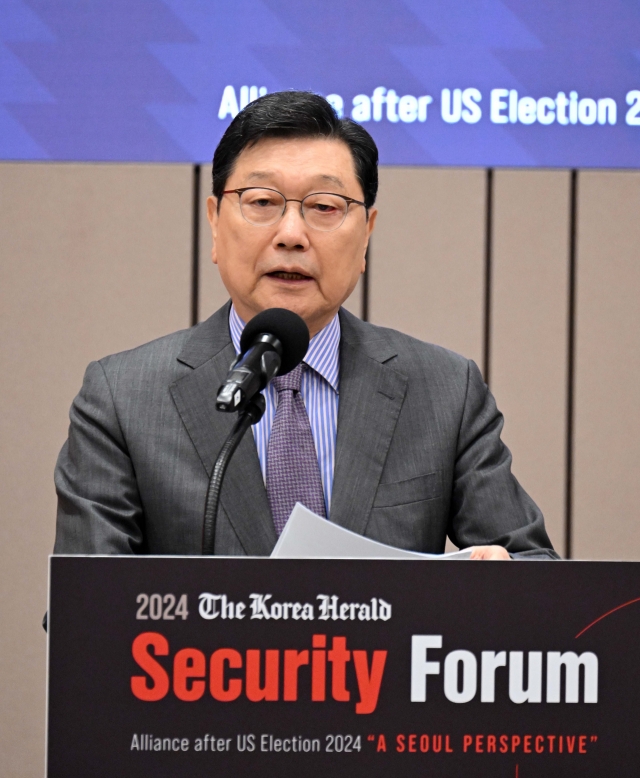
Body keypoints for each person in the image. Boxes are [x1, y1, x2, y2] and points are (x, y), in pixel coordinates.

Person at [54, 91, 557, 560]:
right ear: (214, 221)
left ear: (366, 237)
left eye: (323, 207)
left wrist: (493, 585)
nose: (291, 234)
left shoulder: (444, 392)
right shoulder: (122, 399)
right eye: (262, 202)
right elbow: (83, 615)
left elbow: (539, 578)